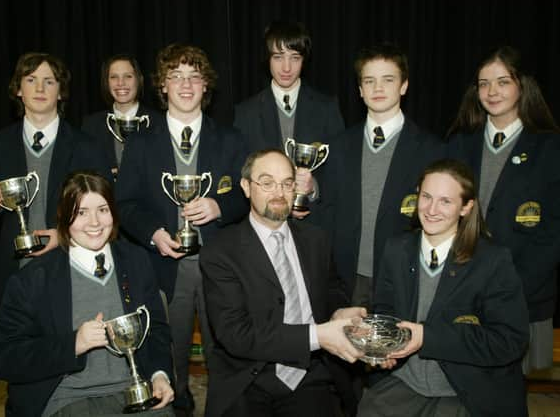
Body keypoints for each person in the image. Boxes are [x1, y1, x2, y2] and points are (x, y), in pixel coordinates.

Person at [115, 43, 249, 416]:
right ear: (163, 87)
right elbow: (124, 204)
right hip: (163, 268)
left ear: (206, 85)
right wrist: (154, 232)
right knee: (168, 361)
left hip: (220, 267)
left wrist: (220, 206)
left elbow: (248, 197)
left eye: (194, 76)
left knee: (223, 355)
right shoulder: (140, 143)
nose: (185, 85)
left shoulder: (232, 140)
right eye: (176, 76)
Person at [0, 171, 174, 417]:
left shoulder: (136, 261)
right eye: (82, 212)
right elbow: (2, 358)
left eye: (103, 210)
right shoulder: (33, 279)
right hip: (66, 398)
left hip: (133, 390)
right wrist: (73, 344)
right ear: (64, 217)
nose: (95, 223)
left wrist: (160, 375)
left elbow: (156, 328)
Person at [200, 149, 366, 417]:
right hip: (250, 377)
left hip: (310, 374)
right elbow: (235, 335)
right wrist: (320, 336)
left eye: (287, 183)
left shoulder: (316, 239)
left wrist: (338, 312)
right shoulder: (220, 251)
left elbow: (332, 290)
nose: (279, 192)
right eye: (267, 183)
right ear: (245, 187)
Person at [357, 159, 529, 417]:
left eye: (445, 201)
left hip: (465, 390)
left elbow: (509, 341)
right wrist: (381, 344)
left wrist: (427, 337)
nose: (431, 209)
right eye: (426, 196)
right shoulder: (397, 249)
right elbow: (386, 311)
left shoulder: (492, 261)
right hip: (405, 382)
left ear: (466, 207)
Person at [447, 46, 560, 373]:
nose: (492, 91)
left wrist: (508, 289)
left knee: (511, 394)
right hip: (461, 291)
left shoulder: (550, 149)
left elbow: (552, 235)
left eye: (502, 82)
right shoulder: (458, 143)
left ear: (522, 86)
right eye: (484, 83)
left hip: (524, 293)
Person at [0, 52, 110, 305]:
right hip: (14, 272)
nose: (40, 88)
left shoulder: (88, 148)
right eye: (30, 80)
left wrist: (63, 236)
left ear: (60, 92)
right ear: (18, 89)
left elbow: (107, 213)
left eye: (49, 81)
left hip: (72, 266)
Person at [317, 44, 444, 304]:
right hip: (347, 280)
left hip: (405, 277)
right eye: (369, 81)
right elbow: (325, 211)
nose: (378, 88)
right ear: (360, 90)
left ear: (404, 85)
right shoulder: (338, 146)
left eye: (388, 80)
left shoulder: (432, 150)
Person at [233, 21, 345, 217]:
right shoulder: (245, 113)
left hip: (313, 227)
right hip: (264, 223)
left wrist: (313, 188)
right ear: (267, 59)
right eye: (278, 57)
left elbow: (340, 169)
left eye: (295, 58)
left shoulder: (327, 108)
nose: (286, 67)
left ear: (304, 60)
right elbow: (240, 174)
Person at [81, 54, 163, 179]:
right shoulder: (91, 125)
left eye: (128, 76)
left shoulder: (159, 123)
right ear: (106, 82)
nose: (121, 83)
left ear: (138, 79)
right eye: (114, 77)